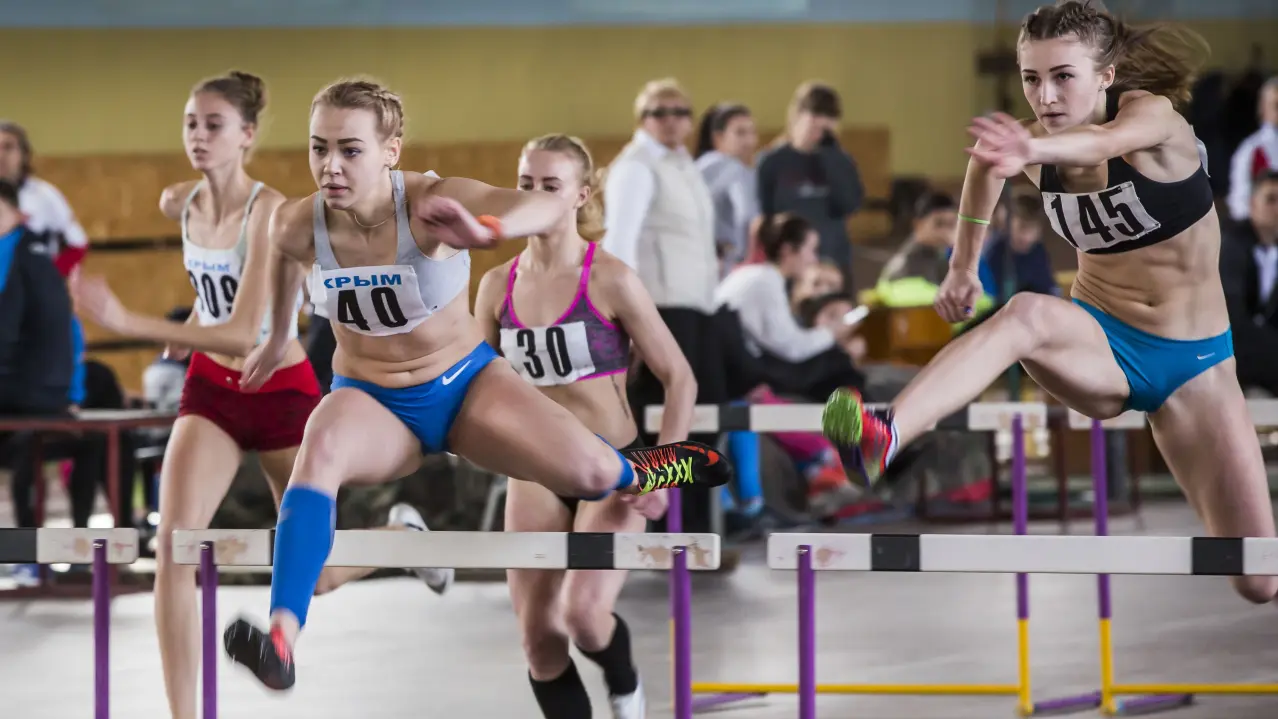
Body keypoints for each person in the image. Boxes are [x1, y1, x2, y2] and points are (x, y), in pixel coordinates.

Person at [208, 78, 730, 693]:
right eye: (318, 148)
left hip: (464, 389)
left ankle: (646, 469)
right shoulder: (299, 223)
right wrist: (277, 337)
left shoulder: (430, 201)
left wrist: (487, 231)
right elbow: (282, 257)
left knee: (592, 474)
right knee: (319, 441)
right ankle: (281, 638)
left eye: (350, 150)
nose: (331, 166)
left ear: (390, 151)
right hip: (374, 402)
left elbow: (539, 207)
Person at [822, 0, 1278, 606]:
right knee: (1024, 314)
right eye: (1032, 79)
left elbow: (1104, 141)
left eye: (1064, 76)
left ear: (1106, 76)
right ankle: (885, 434)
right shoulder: (1032, 147)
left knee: (1257, 578)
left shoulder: (1154, 120)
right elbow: (984, 172)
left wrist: (1028, 154)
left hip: (1195, 367)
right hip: (1099, 346)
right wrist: (963, 266)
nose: (1046, 97)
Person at [69, 71, 451, 719]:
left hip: (279, 390)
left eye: (214, 125)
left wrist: (134, 322)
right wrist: (192, 325)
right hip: (212, 391)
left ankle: (400, 539)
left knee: (315, 573)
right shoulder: (182, 203)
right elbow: (215, 292)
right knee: (174, 548)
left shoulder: (271, 211)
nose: (198, 136)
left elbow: (248, 330)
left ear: (247, 135)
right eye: (190, 123)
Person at [471, 133, 692, 719]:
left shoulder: (610, 278)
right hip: (535, 471)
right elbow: (476, 383)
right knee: (539, 641)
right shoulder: (495, 287)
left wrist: (663, 472)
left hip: (614, 468)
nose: (535, 195)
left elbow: (679, 377)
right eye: (526, 184)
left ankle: (625, 684)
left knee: (584, 616)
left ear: (580, 195)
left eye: (551, 185)